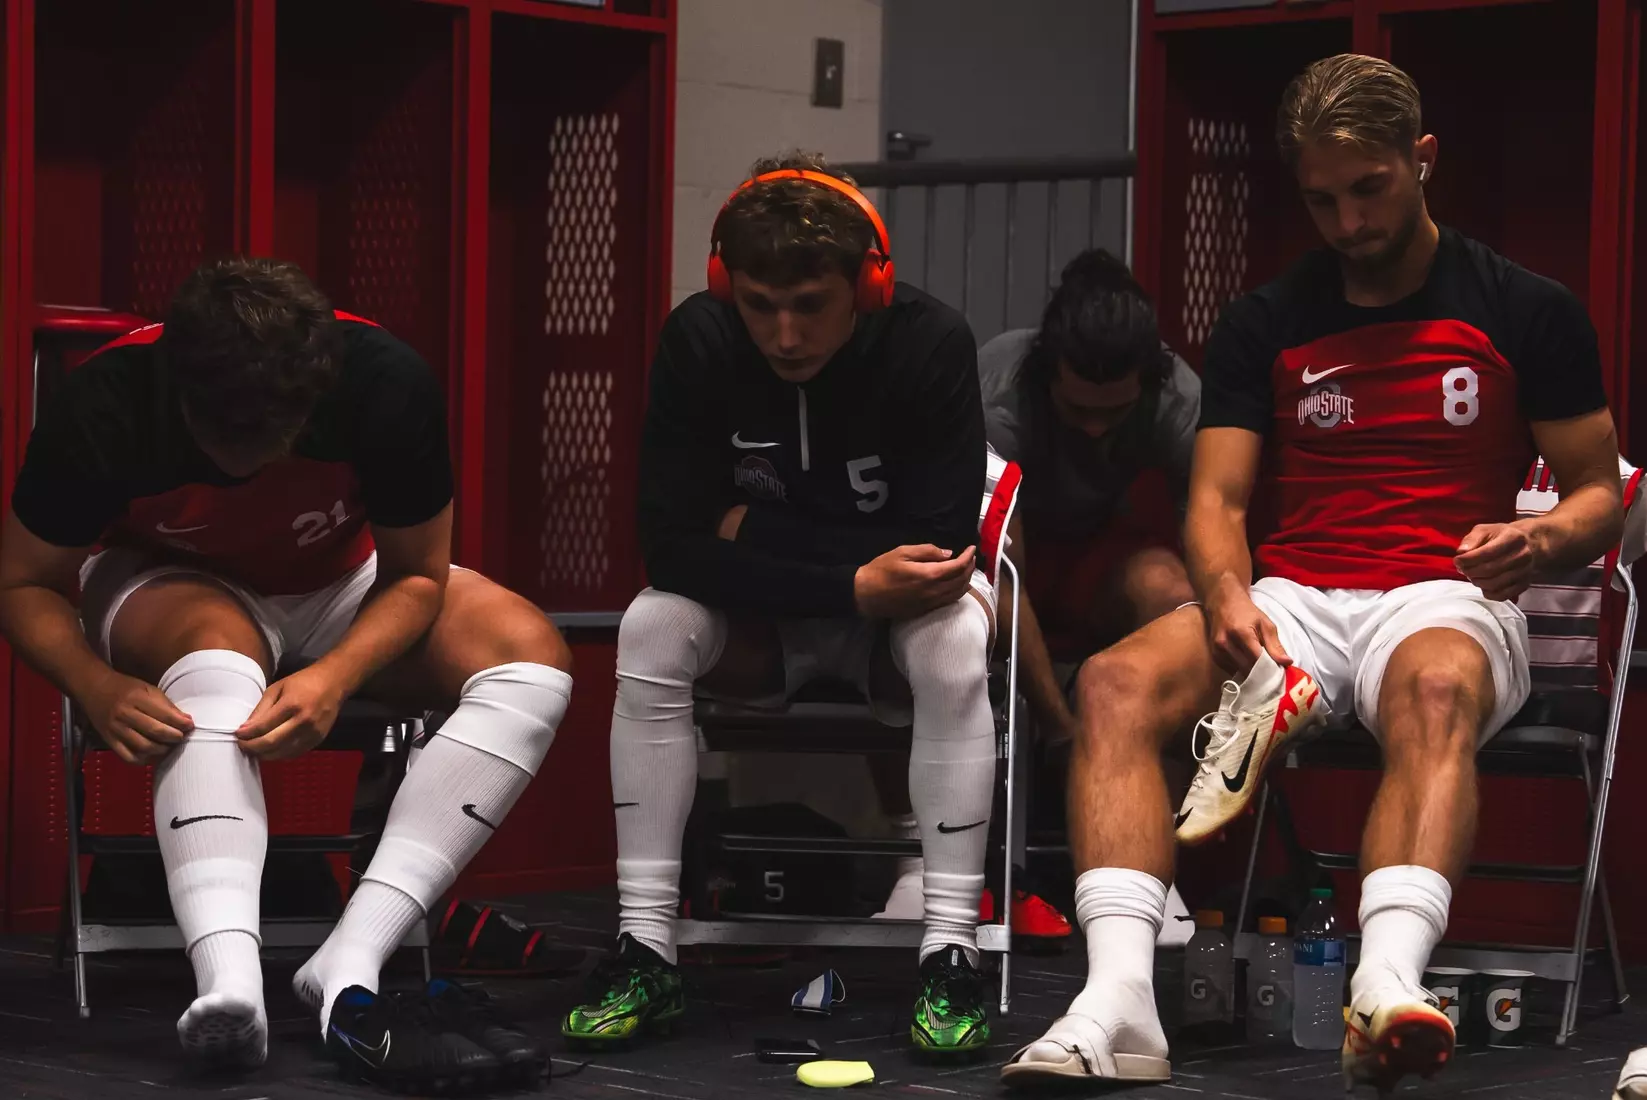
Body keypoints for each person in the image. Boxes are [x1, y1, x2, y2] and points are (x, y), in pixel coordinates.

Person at [1001, 54, 1623, 1093]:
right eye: (1322, 198)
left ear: (1421, 160)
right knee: (1111, 681)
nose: (1346, 220)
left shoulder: (1526, 308)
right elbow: (1219, 503)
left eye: (1369, 188)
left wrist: (1542, 538)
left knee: (1432, 689)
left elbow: (1600, 490)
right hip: (1295, 598)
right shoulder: (1267, 320)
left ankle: (1384, 983)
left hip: (1447, 590)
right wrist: (1231, 593)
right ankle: (1118, 1005)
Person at [0, 259, 575, 1091]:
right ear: (181, 390)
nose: (247, 465)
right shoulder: (107, 400)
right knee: (214, 657)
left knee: (531, 658)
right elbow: (21, 581)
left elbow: (417, 573)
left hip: (346, 583)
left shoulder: (382, 379)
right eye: (223, 441)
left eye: (271, 438)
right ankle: (230, 981)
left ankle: (349, 960)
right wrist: (92, 681)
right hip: (173, 579)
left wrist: (337, 674)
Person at [561, 152, 998, 1056]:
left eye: (810, 305)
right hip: (776, 624)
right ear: (729, 287)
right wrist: (846, 579)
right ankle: (644, 945)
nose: (785, 335)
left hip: (891, 630)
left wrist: (744, 531)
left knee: (956, 635)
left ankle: (949, 953)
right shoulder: (699, 339)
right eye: (760, 304)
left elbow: (944, 550)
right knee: (652, 620)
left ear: (866, 289)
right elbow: (668, 547)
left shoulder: (929, 342)